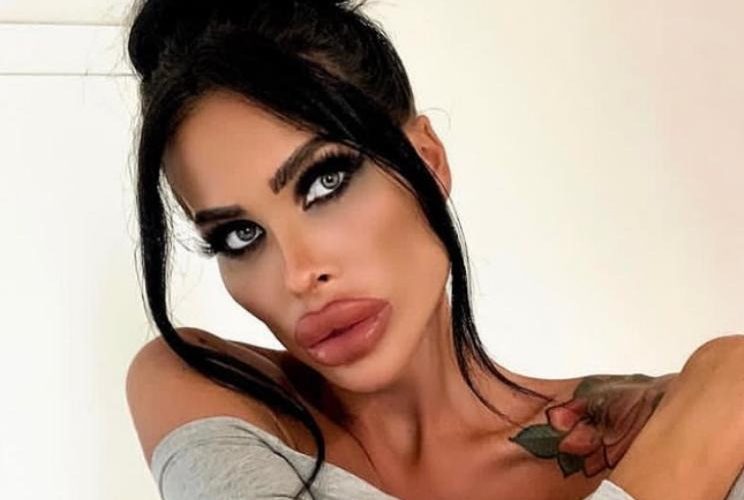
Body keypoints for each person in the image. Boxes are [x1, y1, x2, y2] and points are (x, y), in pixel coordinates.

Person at [123, 1, 744, 499]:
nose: (299, 273)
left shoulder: (669, 424)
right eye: (240, 235)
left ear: (427, 160)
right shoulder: (211, 397)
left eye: (326, 181)